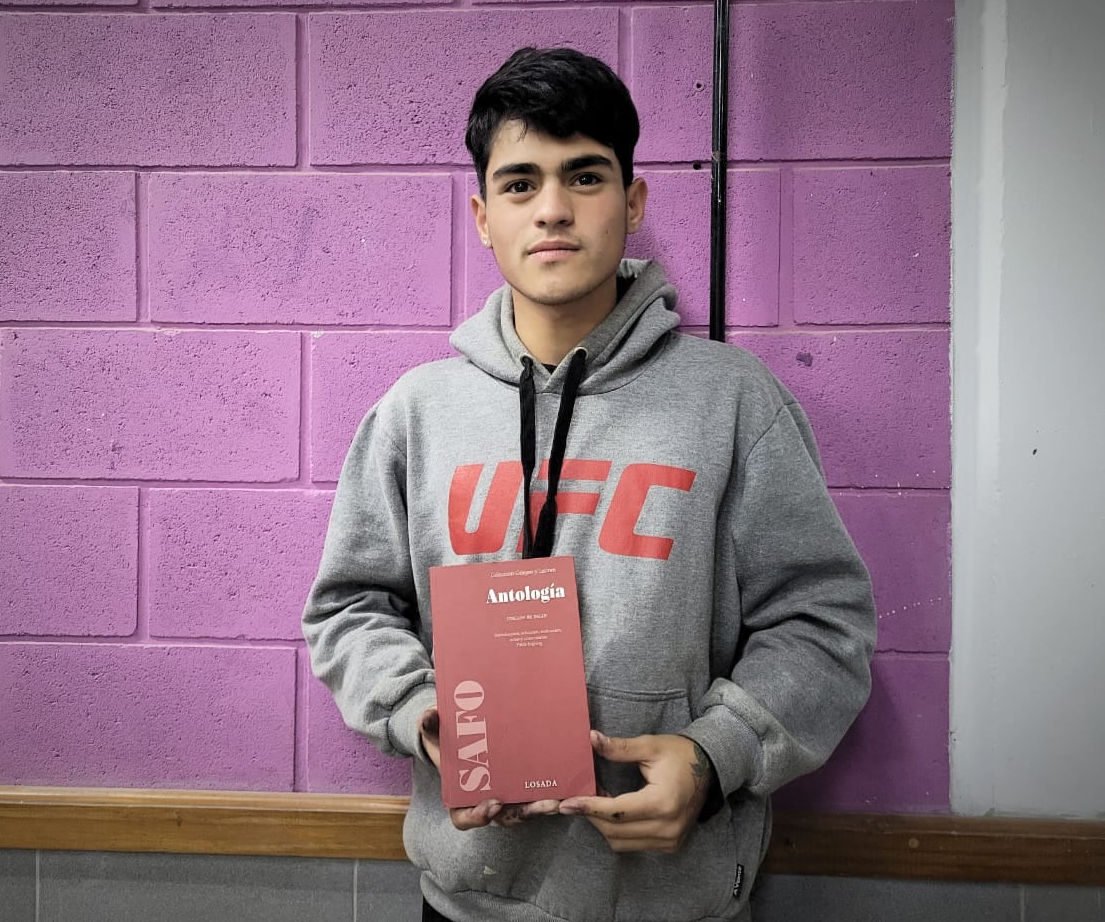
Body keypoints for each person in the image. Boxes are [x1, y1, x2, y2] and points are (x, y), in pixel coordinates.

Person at [303, 47, 876, 922]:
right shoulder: (416, 413)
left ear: (634, 201)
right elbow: (348, 611)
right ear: (482, 216)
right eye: (521, 184)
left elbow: (823, 625)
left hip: (670, 900)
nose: (555, 211)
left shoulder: (733, 403)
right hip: (467, 899)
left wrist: (713, 756)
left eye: (586, 176)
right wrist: (424, 714)